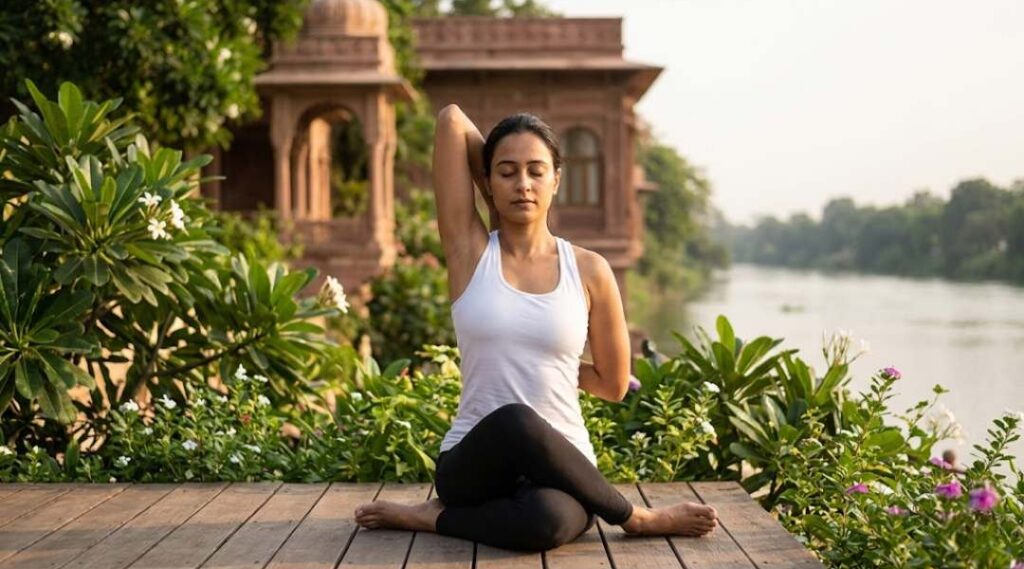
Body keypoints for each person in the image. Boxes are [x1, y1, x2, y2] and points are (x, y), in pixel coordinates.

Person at [353, 104, 719, 551]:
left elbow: (614, 384)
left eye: (535, 171)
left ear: (556, 180)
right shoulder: (470, 255)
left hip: (563, 465)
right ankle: (637, 517)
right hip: (476, 462)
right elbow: (451, 120)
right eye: (506, 172)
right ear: (486, 181)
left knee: (545, 526)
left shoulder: (590, 270)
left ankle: (436, 519)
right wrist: (491, 197)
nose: (522, 184)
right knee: (515, 420)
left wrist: (553, 365)